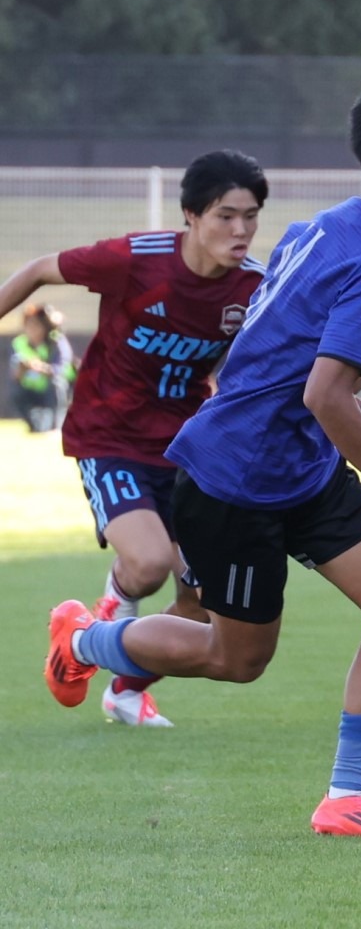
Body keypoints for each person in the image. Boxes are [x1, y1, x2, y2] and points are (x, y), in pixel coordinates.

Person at [42, 80, 361, 839]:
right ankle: (81, 640)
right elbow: (324, 394)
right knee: (236, 659)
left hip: (298, 468)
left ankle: (350, 798)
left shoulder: (318, 228)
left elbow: (299, 353)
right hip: (234, 479)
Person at [0, 150, 269, 727]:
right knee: (147, 565)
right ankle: (90, 633)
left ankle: (124, 689)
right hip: (110, 436)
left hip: (188, 451)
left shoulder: (255, 287)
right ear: (191, 216)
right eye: (226, 215)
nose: (241, 229)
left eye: (251, 216)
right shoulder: (135, 258)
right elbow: (41, 270)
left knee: (202, 607)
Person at [10, 303, 73, 432]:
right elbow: (15, 376)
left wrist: (41, 368)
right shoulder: (19, 343)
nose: (32, 329)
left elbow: (62, 369)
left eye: (36, 325)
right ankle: (33, 427)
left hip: (55, 389)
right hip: (33, 389)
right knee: (16, 392)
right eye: (29, 325)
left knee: (57, 384)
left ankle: (56, 427)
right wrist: (23, 368)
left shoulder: (56, 342)